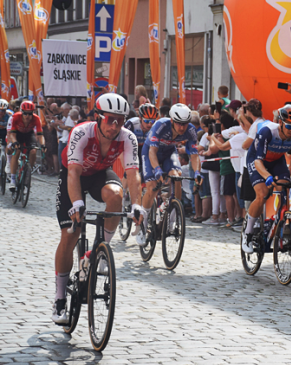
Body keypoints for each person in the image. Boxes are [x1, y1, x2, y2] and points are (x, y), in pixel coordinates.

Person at [52, 93, 144, 324]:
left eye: (120, 121)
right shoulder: (82, 132)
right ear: (98, 117)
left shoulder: (127, 137)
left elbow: (132, 175)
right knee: (70, 234)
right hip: (74, 174)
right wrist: (77, 204)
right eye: (110, 119)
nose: (115, 126)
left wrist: (137, 206)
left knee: (115, 195)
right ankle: (60, 297)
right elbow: (73, 172)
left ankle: (99, 250)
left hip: (99, 174)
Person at [242, 104, 291, 252]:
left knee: (284, 188)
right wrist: (268, 177)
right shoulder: (268, 132)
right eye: (289, 126)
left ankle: (278, 224)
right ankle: (248, 233)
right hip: (257, 160)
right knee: (262, 194)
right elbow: (258, 162)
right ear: (281, 123)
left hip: (277, 161)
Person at [137, 103, 203, 244]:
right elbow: (152, 152)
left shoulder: (190, 130)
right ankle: (142, 222)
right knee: (152, 187)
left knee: (177, 176)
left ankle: (173, 215)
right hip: (151, 152)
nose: (182, 128)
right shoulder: (161, 125)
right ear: (172, 120)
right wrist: (157, 170)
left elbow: (194, 155)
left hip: (168, 152)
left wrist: (197, 172)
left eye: (185, 124)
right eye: (179, 124)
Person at [7, 101, 43, 193]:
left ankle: (27, 173)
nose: (27, 116)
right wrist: (14, 143)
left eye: (30, 113)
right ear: (21, 112)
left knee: (33, 151)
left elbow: (40, 135)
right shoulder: (15, 117)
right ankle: (13, 179)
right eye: (25, 113)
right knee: (17, 151)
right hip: (17, 134)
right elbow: (12, 134)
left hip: (28, 135)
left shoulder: (36, 118)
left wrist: (43, 145)